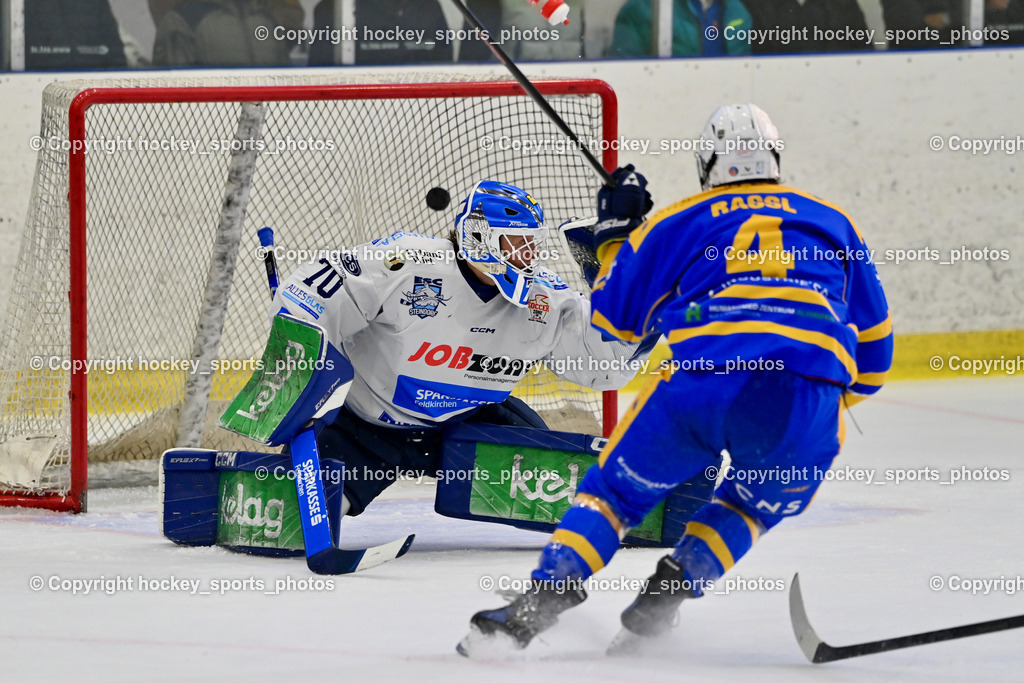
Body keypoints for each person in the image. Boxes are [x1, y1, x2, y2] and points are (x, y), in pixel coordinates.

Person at [459, 105, 893, 655]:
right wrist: (815, 398)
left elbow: (614, 322)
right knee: (750, 506)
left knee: (612, 498)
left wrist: (617, 235)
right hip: (807, 394)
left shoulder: (680, 220)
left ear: (707, 165)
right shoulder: (833, 221)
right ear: (774, 158)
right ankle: (660, 605)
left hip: (701, 384)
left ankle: (530, 611)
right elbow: (876, 365)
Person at [270, 181, 654, 518]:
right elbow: (307, 297)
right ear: (478, 237)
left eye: (531, 244)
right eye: (515, 243)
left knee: (556, 494)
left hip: (472, 423)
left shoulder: (545, 298)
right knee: (298, 516)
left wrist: (629, 302)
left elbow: (606, 370)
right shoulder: (407, 262)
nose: (527, 256)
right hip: (366, 429)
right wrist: (306, 362)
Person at [152, 0, 294, 67]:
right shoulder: (182, 21)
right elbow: (176, 102)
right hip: (209, 122)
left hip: (273, 122)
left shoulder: (265, 19)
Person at [308, 0, 453, 66]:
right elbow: (320, 76)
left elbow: (446, 65)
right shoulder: (335, 10)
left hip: (423, 109)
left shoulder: (429, 7)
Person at [609, 0, 753, 57]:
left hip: (725, 104)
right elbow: (623, 65)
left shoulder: (736, 11)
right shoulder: (643, 9)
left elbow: (745, 66)